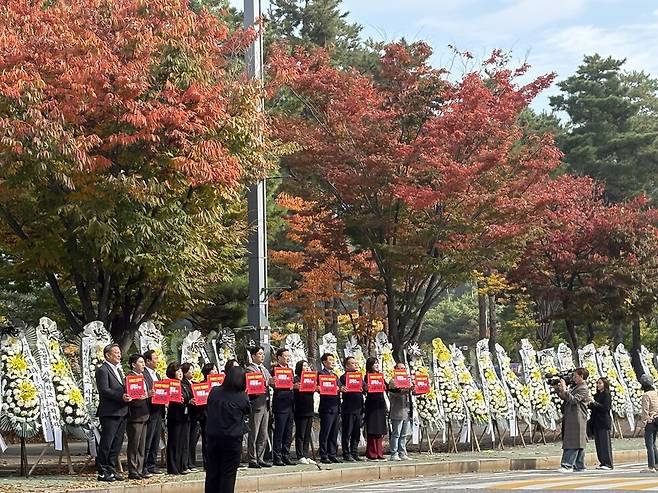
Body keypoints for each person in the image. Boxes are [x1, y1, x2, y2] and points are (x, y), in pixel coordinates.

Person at [205, 366, 250, 493]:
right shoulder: (242, 396)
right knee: (228, 474)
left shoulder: (214, 391)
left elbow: (209, 405)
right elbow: (247, 410)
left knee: (212, 472)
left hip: (213, 437)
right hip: (232, 439)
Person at [95, 343, 131, 482]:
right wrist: (120, 396)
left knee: (117, 443)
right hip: (109, 412)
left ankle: (111, 469)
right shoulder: (102, 370)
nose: (119, 355)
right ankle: (103, 471)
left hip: (122, 411)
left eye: (119, 352)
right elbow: (104, 390)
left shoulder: (118, 370)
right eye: (115, 352)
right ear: (107, 355)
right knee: (107, 442)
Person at [555, 367, 592, 472]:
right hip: (572, 416)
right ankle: (579, 465)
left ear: (581, 376)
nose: (574, 378)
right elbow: (567, 397)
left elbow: (573, 400)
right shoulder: (576, 387)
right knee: (578, 442)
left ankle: (567, 465)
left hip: (578, 417)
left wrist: (565, 389)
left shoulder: (583, 388)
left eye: (576, 376)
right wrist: (559, 390)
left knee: (574, 441)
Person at [245, 346, 272, 469]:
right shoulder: (250, 370)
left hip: (266, 403)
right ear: (253, 356)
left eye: (263, 354)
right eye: (260, 354)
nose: (262, 356)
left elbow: (269, 381)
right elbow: (255, 384)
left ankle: (260, 457)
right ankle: (252, 458)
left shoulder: (265, 369)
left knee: (263, 432)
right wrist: (268, 382)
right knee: (254, 432)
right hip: (256, 403)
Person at [271, 348, 296, 466]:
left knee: (288, 431)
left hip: (290, 403)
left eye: (288, 356)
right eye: (285, 356)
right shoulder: (274, 370)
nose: (287, 358)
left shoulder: (290, 370)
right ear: (279, 357)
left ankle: (286, 454)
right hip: (280, 404)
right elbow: (273, 384)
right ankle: (277, 456)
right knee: (279, 431)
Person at [126, 354, 150, 479]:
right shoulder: (130, 377)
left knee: (142, 444)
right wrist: (145, 395)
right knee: (134, 443)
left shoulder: (144, 377)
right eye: (140, 362)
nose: (143, 364)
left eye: (143, 362)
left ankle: (140, 469)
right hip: (135, 415)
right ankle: (133, 470)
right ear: (133, 365)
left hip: (145, 414)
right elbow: (131, 396)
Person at [166, 362, 192, 475]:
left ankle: (181, 465)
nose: (180, 373)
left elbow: (189, 396)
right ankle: (173, 467)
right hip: (175, 415)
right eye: (178, 371)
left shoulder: (184, 384)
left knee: (182, 441)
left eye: (181, 371)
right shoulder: (170, 384)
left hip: (184, 415)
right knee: (174, 441)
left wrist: (189, 401)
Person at [143, 349, 165, 476]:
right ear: (148, 361)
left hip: (158, 410)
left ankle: (152, 464)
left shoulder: (157, 375)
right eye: (155, 359)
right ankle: (144, 465)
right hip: (149, 410)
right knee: (148, 439)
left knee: (156, 439)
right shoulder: (143, 374)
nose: (157, 361)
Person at [318, 353, 342, 464]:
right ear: (324, 362)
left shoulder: (335, 375)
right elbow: (320, 388)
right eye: (330, 360)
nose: (333, 362)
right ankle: (324, 454)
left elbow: (339, 387)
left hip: (336, 406)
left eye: (333, 360)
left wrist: (341, 388)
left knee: (334, 432)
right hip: (326, 406)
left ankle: (332, 454)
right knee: (325, 432)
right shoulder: (321, 374)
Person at [339, 356, 364, 462]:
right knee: (347, 432)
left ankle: (354, 452)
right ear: (347, 366)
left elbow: (365, 386)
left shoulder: (359, 376)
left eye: (356, 363)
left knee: (356, 433)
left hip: (358, 408)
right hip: (348, 408)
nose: (356, 365)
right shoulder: (344, 377)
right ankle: (346, 453)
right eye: (353, 363)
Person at [388, 361, 412, 461]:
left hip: (406, 410)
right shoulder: (392, 381)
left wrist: (414, 388)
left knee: (403, 434)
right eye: (399, 369)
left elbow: (412, 392)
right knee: (396, 434)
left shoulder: (408, 381)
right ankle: (394, 453)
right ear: (395, 370)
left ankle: (402, 452)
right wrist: (406, 389)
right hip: (397, 410)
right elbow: (395, 391)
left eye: (403, 369)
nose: (402, 371)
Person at [364, 356, 387, 461]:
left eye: (378, 363)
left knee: (380, 430)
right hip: (372, 405)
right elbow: (365, 389)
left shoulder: (380, 376)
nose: (377, 365)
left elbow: (388, 387)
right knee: (373, 429)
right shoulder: (367, 377)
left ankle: (379, 452)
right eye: (374, 364)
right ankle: (372, 453)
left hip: (380, 405)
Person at [293, 360, 316, 465]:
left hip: (309, 408)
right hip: (300, 408)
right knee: (300, 433)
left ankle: (306, 454)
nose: (306, 368)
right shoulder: (296, 379)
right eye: (304, 366)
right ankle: (300, 455)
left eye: (307, 366)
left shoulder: (310, 379)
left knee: (307, 434)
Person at [588, 377, 613, 470]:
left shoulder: (607, 395)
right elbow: (593, 407)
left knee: (605, 443)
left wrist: (594, 403)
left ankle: (608, 463)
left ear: (605, 385)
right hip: (596, 422)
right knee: (598, 443)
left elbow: (605, 408)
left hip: (603, 422)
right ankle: (602, 462)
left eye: (600, 383)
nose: (598, 385)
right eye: (597, 383)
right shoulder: (597, 395)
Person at [181, 362, 200, 472]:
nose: (191, 372)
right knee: (186, 440)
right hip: (187, 414)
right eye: (189, 370)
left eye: (192, 370)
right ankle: (186, 463)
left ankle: (192, 463)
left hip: (195, 415)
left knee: (193, 440)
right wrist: (189, 401)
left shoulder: (194, 383)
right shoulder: (183, 384)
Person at [200, 362, 219, 470]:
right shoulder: (202, 385)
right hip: (206, 415)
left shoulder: (220, 384)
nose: (216, 371)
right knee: (207, 440)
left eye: (216, 369)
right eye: (213, 369)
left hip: (218, 416)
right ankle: (207, 463)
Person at [640, 373, 658, 473]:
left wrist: (644, 424)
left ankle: (651, 466)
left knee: (649, 444)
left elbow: (645, 411)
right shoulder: (656, 393)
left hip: (650, 421)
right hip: (657, 419)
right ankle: (657, 464)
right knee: (654, 443)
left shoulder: (646, 395)